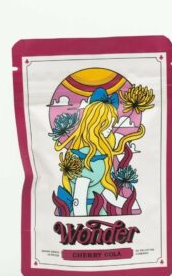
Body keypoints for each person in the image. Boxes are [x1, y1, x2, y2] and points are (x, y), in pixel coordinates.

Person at [54, 88, 144, 216]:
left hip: (99, 212)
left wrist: (129, 204)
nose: (109, 129)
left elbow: (106, 191)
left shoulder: (101, 156)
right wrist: (81, 222)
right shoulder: (82, 156)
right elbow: (79, 195)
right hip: (84, 214)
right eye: (105, 124)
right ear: (93, 124)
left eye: (112, 124)